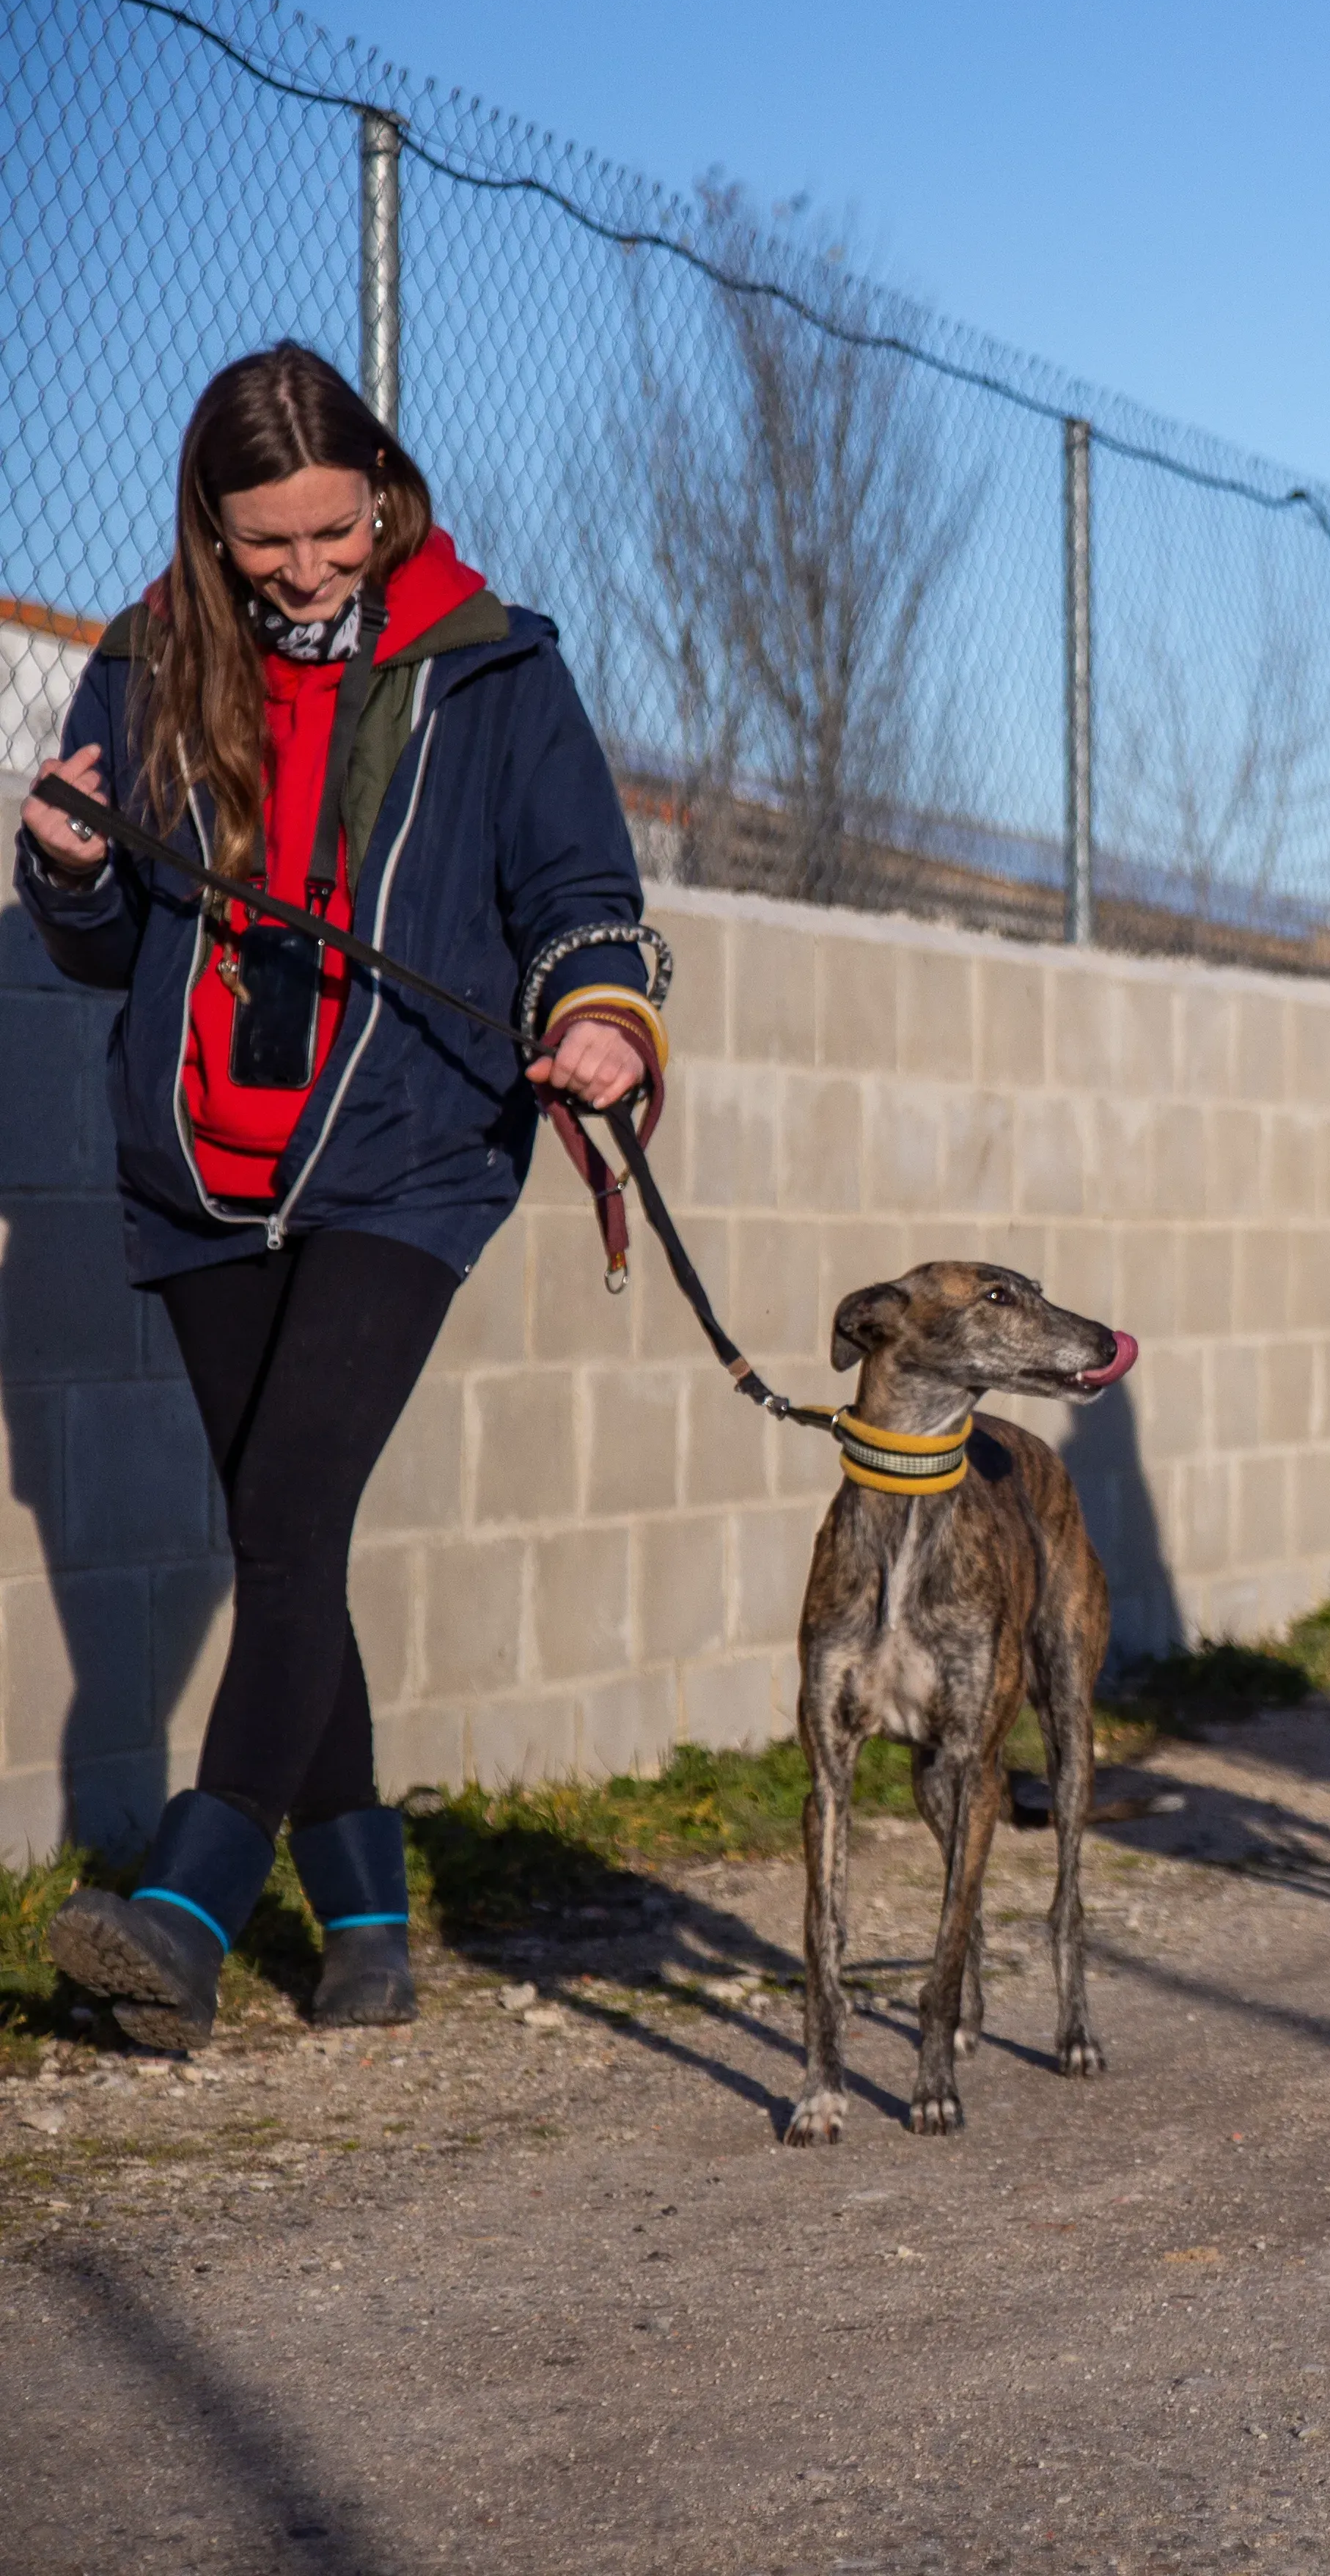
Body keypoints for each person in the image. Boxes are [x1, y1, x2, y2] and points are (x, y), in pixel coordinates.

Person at [24, 342, 660, 2050]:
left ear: (385, 491)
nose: (307, 569)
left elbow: (582, 885)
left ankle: (191, 1901)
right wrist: (68, 870)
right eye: (267, 541)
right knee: (283, 1543)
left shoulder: (497, 666)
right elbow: (103, 950)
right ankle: (368, 1914)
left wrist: (599, 1016)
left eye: (333, 528)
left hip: (408, 1152)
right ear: (211, 527)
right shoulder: (148, 662)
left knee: (293, 1515)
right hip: (199, 1165)